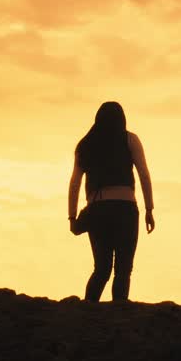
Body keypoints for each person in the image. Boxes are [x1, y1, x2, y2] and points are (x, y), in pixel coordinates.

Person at [68, 101, 156, 302]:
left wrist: (72, 216)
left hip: (97, 210)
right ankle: (119, 310)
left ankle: (88, 309)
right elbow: (144, 174)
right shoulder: (129, 140)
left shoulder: (85, 145)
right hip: (125, 209)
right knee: (123, 269)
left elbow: (74, 183)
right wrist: (149, 208)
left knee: (101, 269)